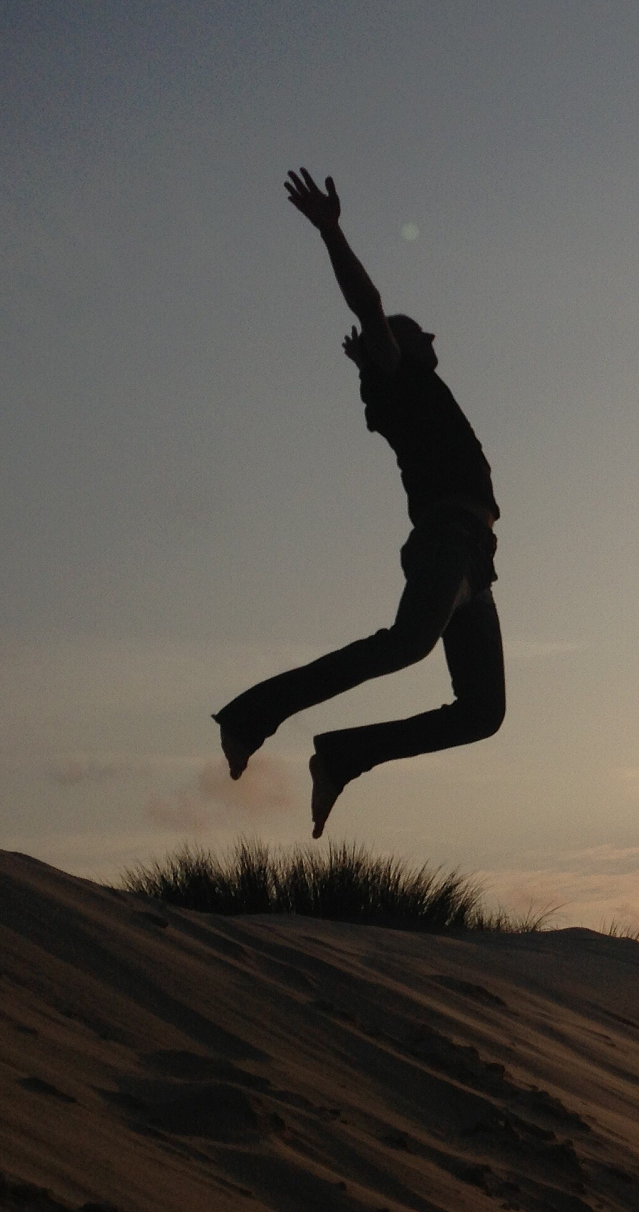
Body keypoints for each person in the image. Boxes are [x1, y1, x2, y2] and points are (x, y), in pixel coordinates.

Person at [215, 168, 505, 838]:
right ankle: (250, 717)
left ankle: (344, 754)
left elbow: (379, 338)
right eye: (418, 331)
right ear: (397, 346)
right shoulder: (401, 377)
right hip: (448, 543)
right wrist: (331, 230)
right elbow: (370, 307)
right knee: (405, 644)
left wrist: (367, 364)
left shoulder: (404, 389)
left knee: (482, 712)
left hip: (473, 562)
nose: (432, 334)